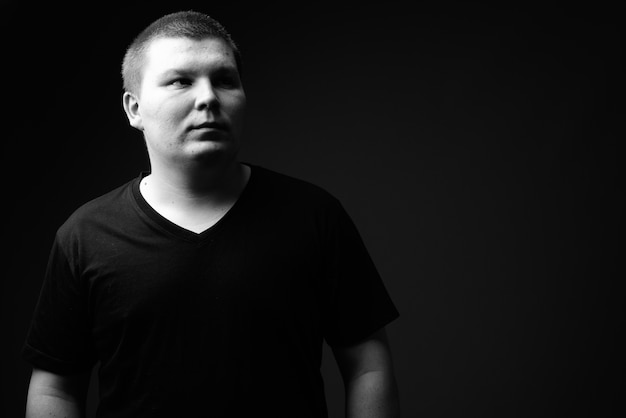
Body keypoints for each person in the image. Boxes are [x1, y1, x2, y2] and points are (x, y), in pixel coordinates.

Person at [23, 10, 400, 418]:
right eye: (181, 80)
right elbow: (55, 390)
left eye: (224, 80)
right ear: (134, 109)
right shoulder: (84, 235)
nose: (208, 98)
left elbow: (368, 367)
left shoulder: (315, 216)